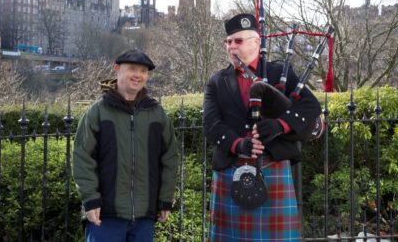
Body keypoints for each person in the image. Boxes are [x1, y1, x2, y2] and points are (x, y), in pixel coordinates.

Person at [203, 13, 322, 241]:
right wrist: (238, 144)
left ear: (256, 42)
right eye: (228, 42)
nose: (231, 46)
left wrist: (281, 125)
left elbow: (310, 106)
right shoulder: (217, 81)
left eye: (238, 41)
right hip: (231, 166)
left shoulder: (279, 73)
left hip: (272, 165)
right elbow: (211, 123)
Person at [72, 49, 179, 242]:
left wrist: (165, 199)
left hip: (145, 217)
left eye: (144, 71)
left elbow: (169, 159)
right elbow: (82, 158)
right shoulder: (97, 112)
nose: (138, 75)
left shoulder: (157, 114)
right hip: (104, 215)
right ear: (117, 69)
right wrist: (90, 200)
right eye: (132, 69)